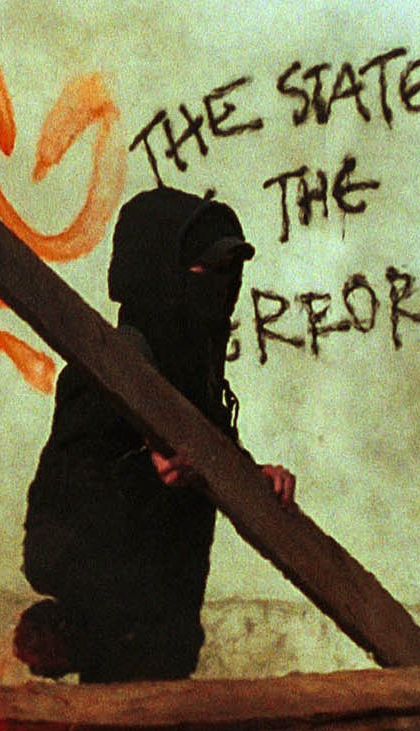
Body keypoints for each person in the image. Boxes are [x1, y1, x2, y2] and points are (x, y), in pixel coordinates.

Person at [15, 186, 294, 685]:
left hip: (168, 664)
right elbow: (47, 548)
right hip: (110, 675)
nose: (224, 286)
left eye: (231, 271)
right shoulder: (106, 377)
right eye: (207, 270)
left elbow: (211, 468)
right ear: (158, 272)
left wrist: (255, 481)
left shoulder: (193, 382)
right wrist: (146, 483)